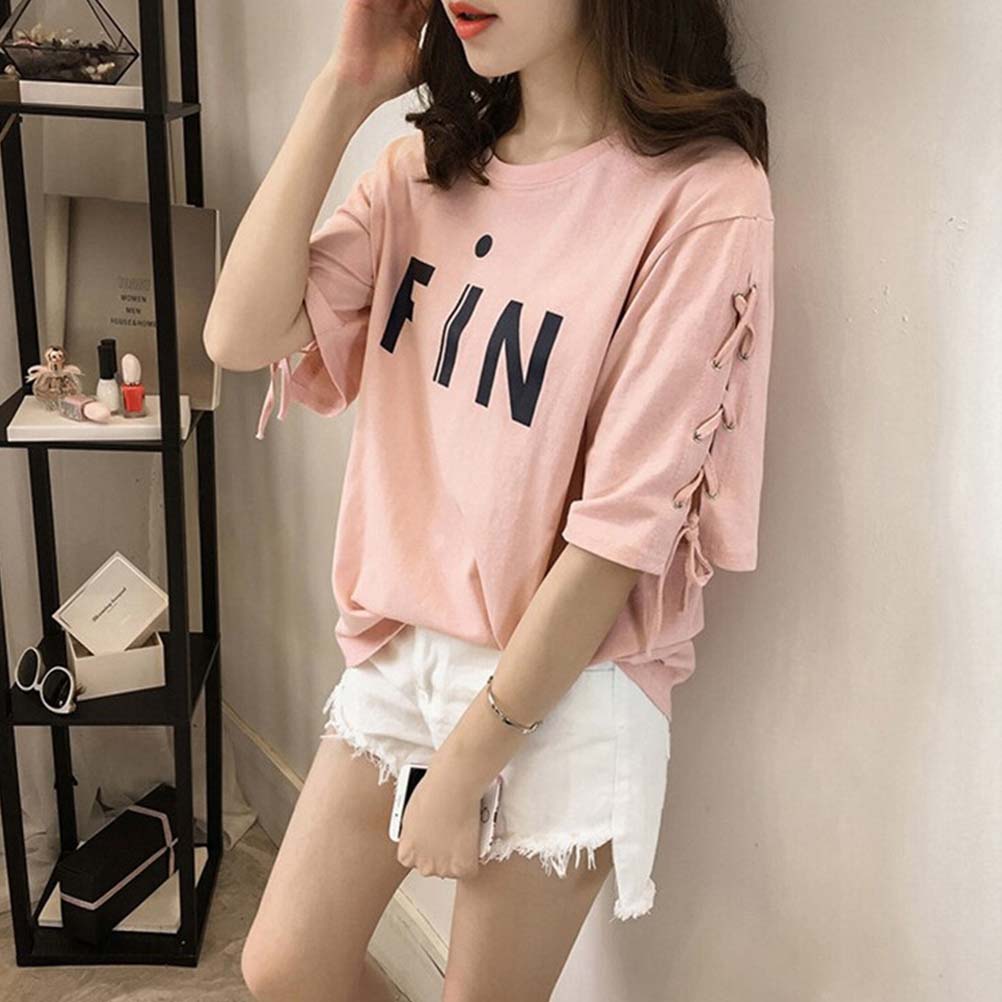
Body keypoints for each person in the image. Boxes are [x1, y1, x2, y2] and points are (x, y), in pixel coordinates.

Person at [204, 0, 775, 998]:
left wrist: (464, 768)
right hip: (403, 649)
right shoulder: (421, 175)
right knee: (286, 967)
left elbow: (618, 538)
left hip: (569, 676)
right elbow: (238, 336)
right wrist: (342, 92)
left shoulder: (703, 198)